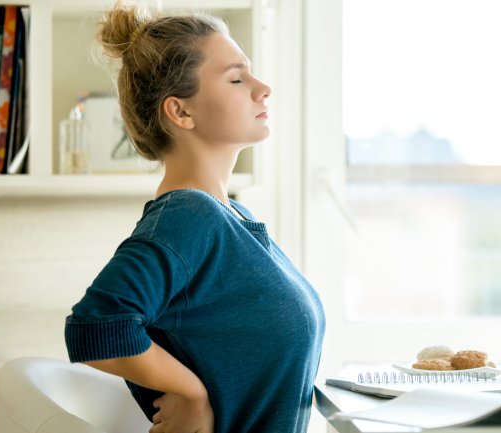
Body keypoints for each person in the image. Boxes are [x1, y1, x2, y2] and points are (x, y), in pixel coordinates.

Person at [64, 3, 326, 433]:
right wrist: (190, 391)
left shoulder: (231, 216)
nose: (263, 89)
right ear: (180, 112)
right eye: (237, 78)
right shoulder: (189, 216)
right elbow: (95, 326)